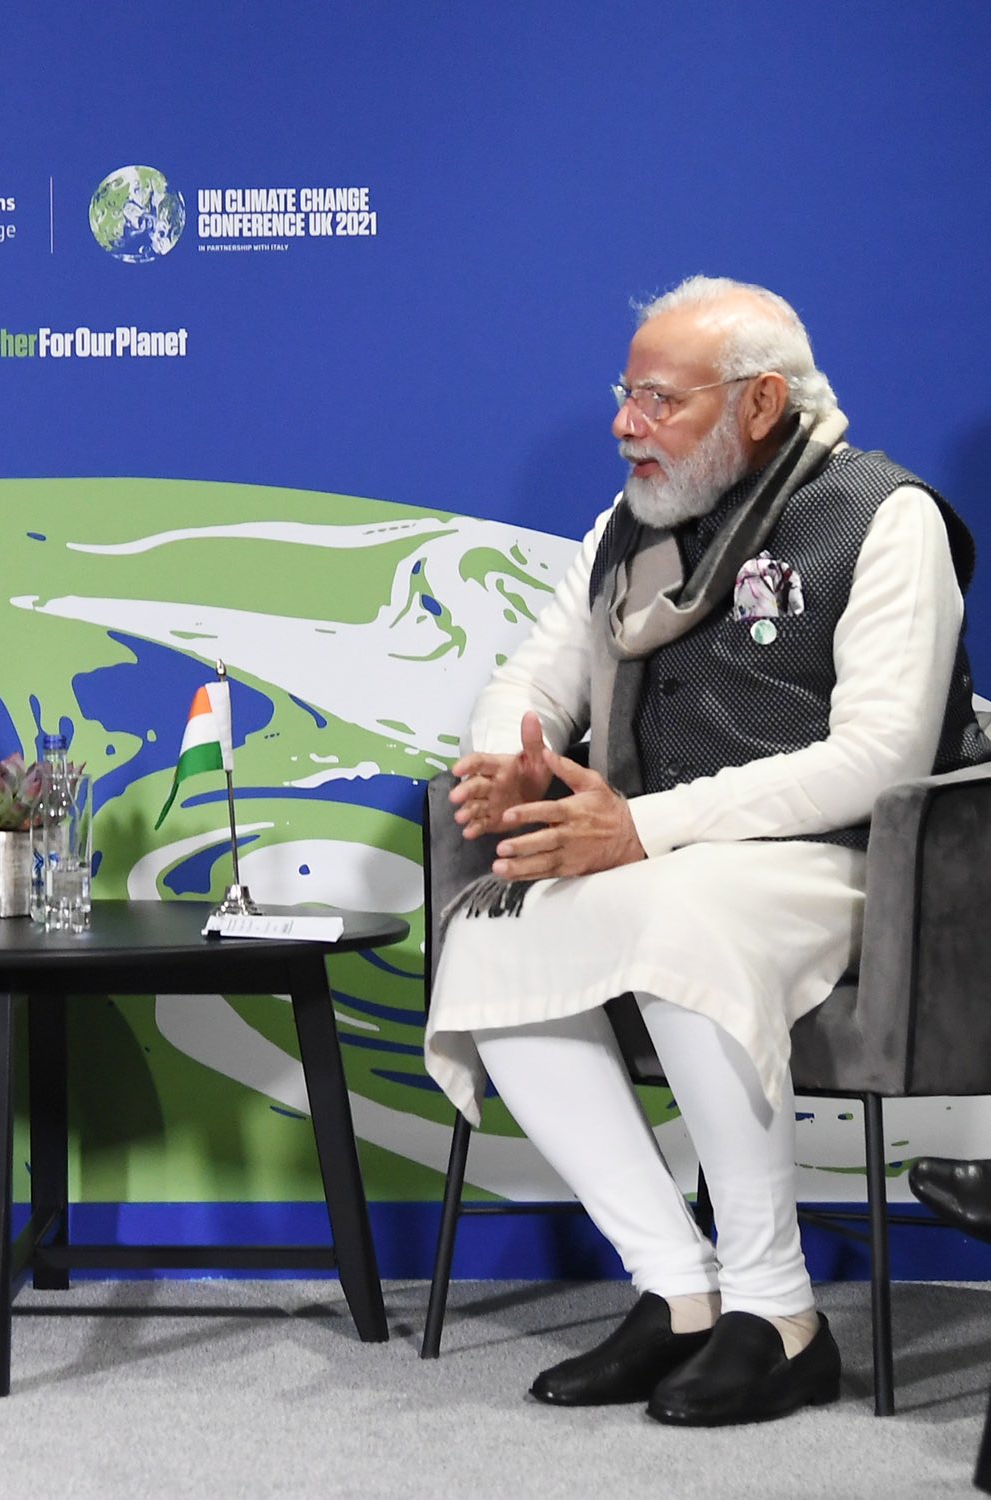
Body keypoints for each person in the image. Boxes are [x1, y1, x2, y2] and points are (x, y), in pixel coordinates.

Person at [423, 275, 987, 1426]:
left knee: (686, 921)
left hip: (835, 862)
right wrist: (513, 757)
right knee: (493, 928)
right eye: (622, 395)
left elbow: (879, 757)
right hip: (663, 858)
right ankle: (675, 1287)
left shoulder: (884, 518)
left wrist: (640, 826)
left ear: (759, 403)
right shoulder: (628, 528)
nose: (623, 425)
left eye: (655, 400)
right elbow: (531, 677)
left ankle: (778, 1317)